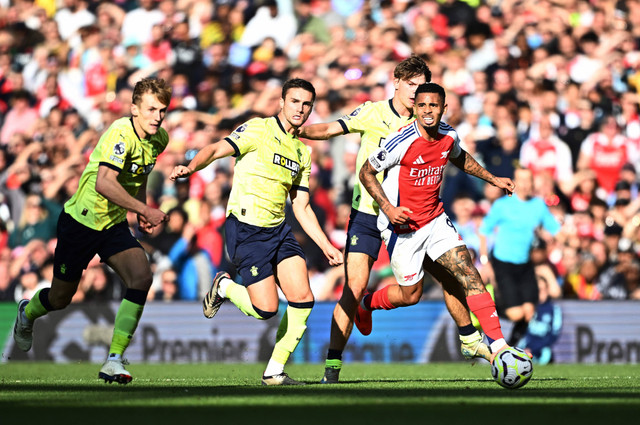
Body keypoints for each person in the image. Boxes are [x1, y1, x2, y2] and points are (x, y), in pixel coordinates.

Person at [299, 56, 491, 384]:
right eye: (411, 84)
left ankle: (470, 340)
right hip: (368, 214)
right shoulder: (373, 111)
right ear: (397, 83)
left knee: (442, 279)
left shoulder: (429, 123)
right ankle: (332, 367)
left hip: (412, 219)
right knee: (354, 286)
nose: (416, 92)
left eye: (421, 85)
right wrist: (294, 130)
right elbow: (331, 128)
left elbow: (455, 154)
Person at [169, 78, 343, 386]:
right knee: (266, 310)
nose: (300, 109)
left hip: (278, 229)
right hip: (246, 228)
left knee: (303, 299)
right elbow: (215, 148)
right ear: (281, 102)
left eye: (306, 104)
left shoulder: (303, 153)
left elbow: (301, 207)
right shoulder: (257, 129)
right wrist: (191, 167)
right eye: (294, 101)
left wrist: (325, 244)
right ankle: (223, 288)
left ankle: (274, 372)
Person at [12, 77, 173, 385]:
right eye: (151, 109)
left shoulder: (159, 139)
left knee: (141, 276)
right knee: (61, 298)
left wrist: (141, 207)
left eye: (162, 110)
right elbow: (104, 183)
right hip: (80, 222)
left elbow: (138, 176)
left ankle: (114, 359)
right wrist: (144, 210)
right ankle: (28, 312)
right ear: (134, 109)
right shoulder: (119, 134)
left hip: (111, 224)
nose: (157, 116)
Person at [358, 82, 515, 365]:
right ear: (415, 109)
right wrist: (388, 208)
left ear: (444, 108)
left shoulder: (448, 135)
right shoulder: (401, 140)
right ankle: (366, 304)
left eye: (433, 105)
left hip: (434, 219)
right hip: (402, 227)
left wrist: (493, 179)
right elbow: (366, 172)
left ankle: (498, 344)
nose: (428, 111)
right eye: (422, 106)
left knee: (465, 270)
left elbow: (460, 157)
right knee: (410, 295)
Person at [479, 167, 562, 345]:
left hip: (525, 264)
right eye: (521, 180)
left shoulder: (538, 205)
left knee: (529, 311)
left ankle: (511, 347)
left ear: (533, 183)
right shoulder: (502, 205)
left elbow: (555, 229)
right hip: (503, 261)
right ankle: (488, 308)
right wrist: (485, 261)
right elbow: (484, 231)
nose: (525, 184)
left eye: (528, 180)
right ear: (514, 183)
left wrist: (569, 237)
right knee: (516, 313)